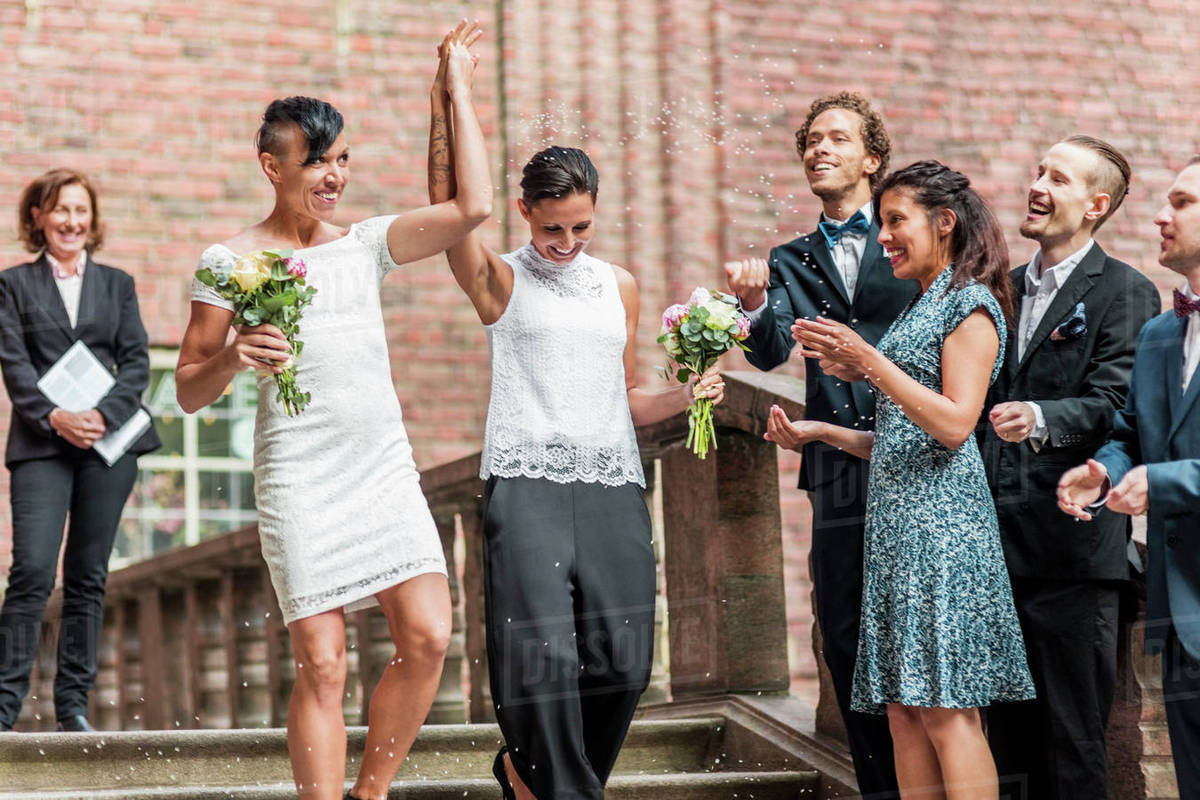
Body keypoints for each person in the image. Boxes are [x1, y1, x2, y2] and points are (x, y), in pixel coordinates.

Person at [174, 26, 491, 800]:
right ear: (271, 165)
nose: (334, 176)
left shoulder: (366, 246)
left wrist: (455, 92)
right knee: (322, 662)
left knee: (428, 636)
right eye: (317, 161)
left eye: (342, 158)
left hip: (382, 467)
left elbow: (473, 206)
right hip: (299, 474)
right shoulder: (230, 261)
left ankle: (370, 791)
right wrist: (233, 354)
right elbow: (186, 387)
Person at [428, 59, 724, 800]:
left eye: (581, 226)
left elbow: (625, 393)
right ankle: (563, 792)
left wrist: (688, 393)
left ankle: (528, 777)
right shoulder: (498, 279)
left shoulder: (617, 285)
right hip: (525, 482)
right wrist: (452, 94)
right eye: (553, 227)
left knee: (622, 661)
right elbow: (448, 203)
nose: (566, 242)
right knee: (541, 657)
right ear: (525, 212)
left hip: (612, 484)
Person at [772, 160, 1035, 799]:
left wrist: (869, 363)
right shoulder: (924, 303)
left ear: (944, 223)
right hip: (897, 531)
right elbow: (902, 436)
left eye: (897, 220)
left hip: (944, 532)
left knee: (947, 710)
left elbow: (953, 424)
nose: (884, 235)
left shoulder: (969, 303)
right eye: (883, 221)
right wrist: (824, 432)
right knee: (903, 711)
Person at [724, 91, 914, 795]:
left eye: (837, 139)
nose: (819, 149)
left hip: (917, 456)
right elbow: (772, 353)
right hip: (834, 473)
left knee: (913, 630)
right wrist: (750, 303)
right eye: (811, 141)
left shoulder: (908, 240)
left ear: (872, 158)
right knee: (842, 633)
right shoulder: (789, 258)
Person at [981, 136, 1159, 799]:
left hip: (1073, 558)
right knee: (1006, 747)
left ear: (1095, 204)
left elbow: (1118, 402)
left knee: (1074, 747)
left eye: (1056, 177)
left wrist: (1043, 416)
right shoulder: (997, 289)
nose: (1037, 184)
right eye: (1038, 171)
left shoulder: (1125, 292)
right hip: (994, 555)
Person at [1058, 155, 1200, 799]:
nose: (1160, 215)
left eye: (1182, 202)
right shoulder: (1159, 335)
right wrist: (1101, 468)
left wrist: (1161, 483)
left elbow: (1163, 468)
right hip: (1180, 613)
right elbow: (1131, 434)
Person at [0, 168, 161, 733]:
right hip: (42, 444)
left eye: (80, 211)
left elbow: (136, 360)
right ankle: (3, 706)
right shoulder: (13, 285)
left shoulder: (116, 283)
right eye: (60, 210)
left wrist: (100, 416)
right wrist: (54, 417)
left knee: (89, 574)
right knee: (33, 572)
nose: (71, 221)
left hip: (107, 446)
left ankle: (73, 706)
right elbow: (14, 363)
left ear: (91, 221)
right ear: (38, 218)